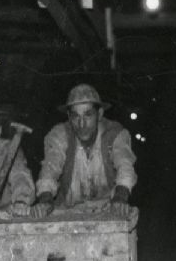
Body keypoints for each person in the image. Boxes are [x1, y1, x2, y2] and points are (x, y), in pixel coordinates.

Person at [32, 83, 137, 218]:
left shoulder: (115, 134)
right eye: (75, 116)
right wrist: (45, 199)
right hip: (68, 213)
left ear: (99, 114)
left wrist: (120, 197)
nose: (81, 124)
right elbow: (50, 168)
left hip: (108, 211)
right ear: (69, 117)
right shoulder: (60, 135)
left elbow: (125, 167)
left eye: (88, 115)